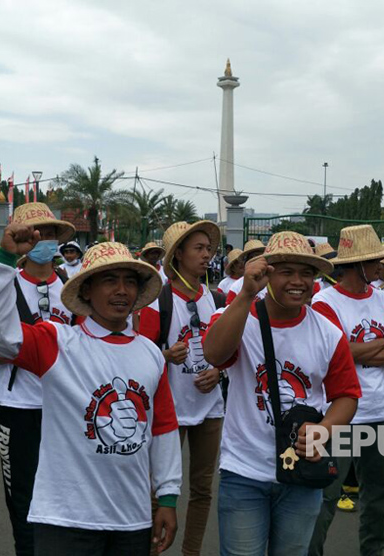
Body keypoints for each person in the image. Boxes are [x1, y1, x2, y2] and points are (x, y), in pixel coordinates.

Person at [0, 226, 181, 556]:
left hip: (132, 518)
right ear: (86, 290)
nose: (121, 290)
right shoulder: (57, 341)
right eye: (109, 280)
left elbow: (163, 428)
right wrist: (4, 260)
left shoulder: (151, 354)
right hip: (65, 519)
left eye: (130, 281)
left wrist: (168, 497)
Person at [202, 231, 360, 556]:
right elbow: (215, 355)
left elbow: (346, 395)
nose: (297, 281)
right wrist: (246, 295)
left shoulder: (328, 333)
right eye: (286, 271)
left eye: (306, 273)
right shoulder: (235, 318)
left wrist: (323, 430)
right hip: (244, 470)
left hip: (302, 472)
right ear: (267, 273)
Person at [0, 202, 75, 556]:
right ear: (23, 240)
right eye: (36, 234)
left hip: (66, 408)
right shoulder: (4, 283)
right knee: (23, 502)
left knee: (69, 495)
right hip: (18, 408)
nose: (43, 240)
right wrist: (23, 353)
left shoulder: (74, 289)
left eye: (50, 234)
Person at [309, 225, 384, 556]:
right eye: (376, 261)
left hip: (380, 409)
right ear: (357, 264)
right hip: (341, 410)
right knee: (327, 493)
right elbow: (335, 354)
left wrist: (356, 349)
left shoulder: (383, 299)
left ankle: (375, 550)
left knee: (378, 492)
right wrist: (380, 344)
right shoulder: (324, 302)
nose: (382, 267)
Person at [139, 220, 224, 556]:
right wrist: (165, 356)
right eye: (198, 249)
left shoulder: (217, 298)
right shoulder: (157, 300)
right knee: (159, 491)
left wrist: (219, 371)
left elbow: (232, 351)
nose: (207, 255)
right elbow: (138, 357)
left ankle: (192, 552)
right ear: (178, 256)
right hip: (168, 411)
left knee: (202, 490)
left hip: (211, 409)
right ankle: (153, 549)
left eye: (209, 249)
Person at [224, 239, 267, 304]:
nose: (256, 260)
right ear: (246, 262)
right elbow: (229, 312)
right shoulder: (236, 287)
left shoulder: (274, 282)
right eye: (252, 257)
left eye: (259, 256)